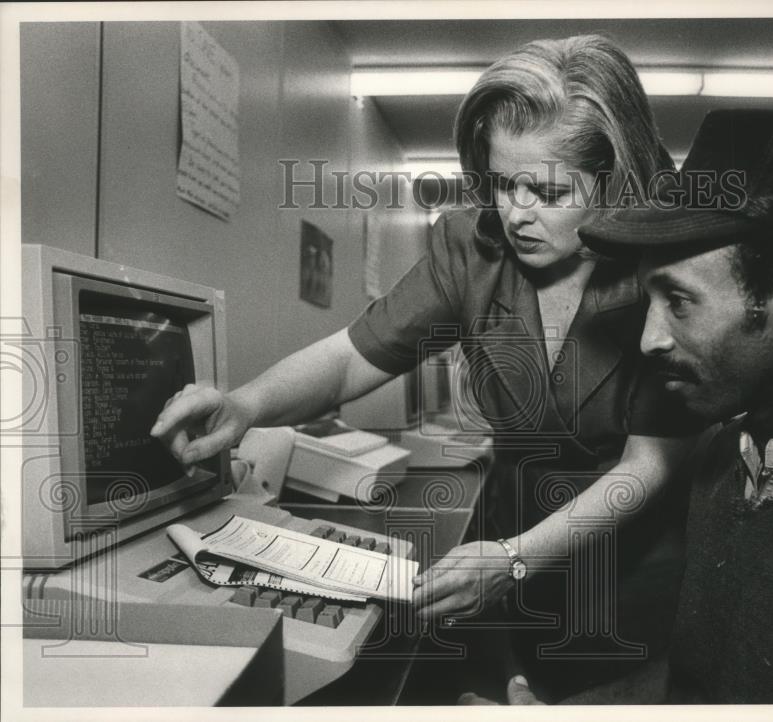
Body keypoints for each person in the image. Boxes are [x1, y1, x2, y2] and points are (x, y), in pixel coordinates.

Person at [152, 35, 703, 702]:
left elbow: (651, 462)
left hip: (625, 570)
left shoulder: (662, 265)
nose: (516, 212)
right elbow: (350, 358)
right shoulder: (471, 246)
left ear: (614, 182)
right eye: (502, 182)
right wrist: (246, 406)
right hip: (507, 548)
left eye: (548, 190)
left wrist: (517, 558)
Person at [462, 109, 773, 704]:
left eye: (679, 301)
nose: (648, 338)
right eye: (650, 298)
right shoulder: (720, 460)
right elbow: (689, 683)